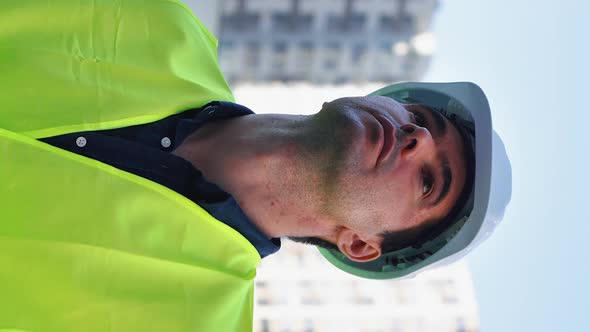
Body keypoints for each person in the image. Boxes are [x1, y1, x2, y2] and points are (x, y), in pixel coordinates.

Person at [0, 0, 511, 331]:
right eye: (420, 119)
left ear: (358, 243)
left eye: (428, 181)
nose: (415, 137)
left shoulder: (196, 322)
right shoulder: (161, 24)